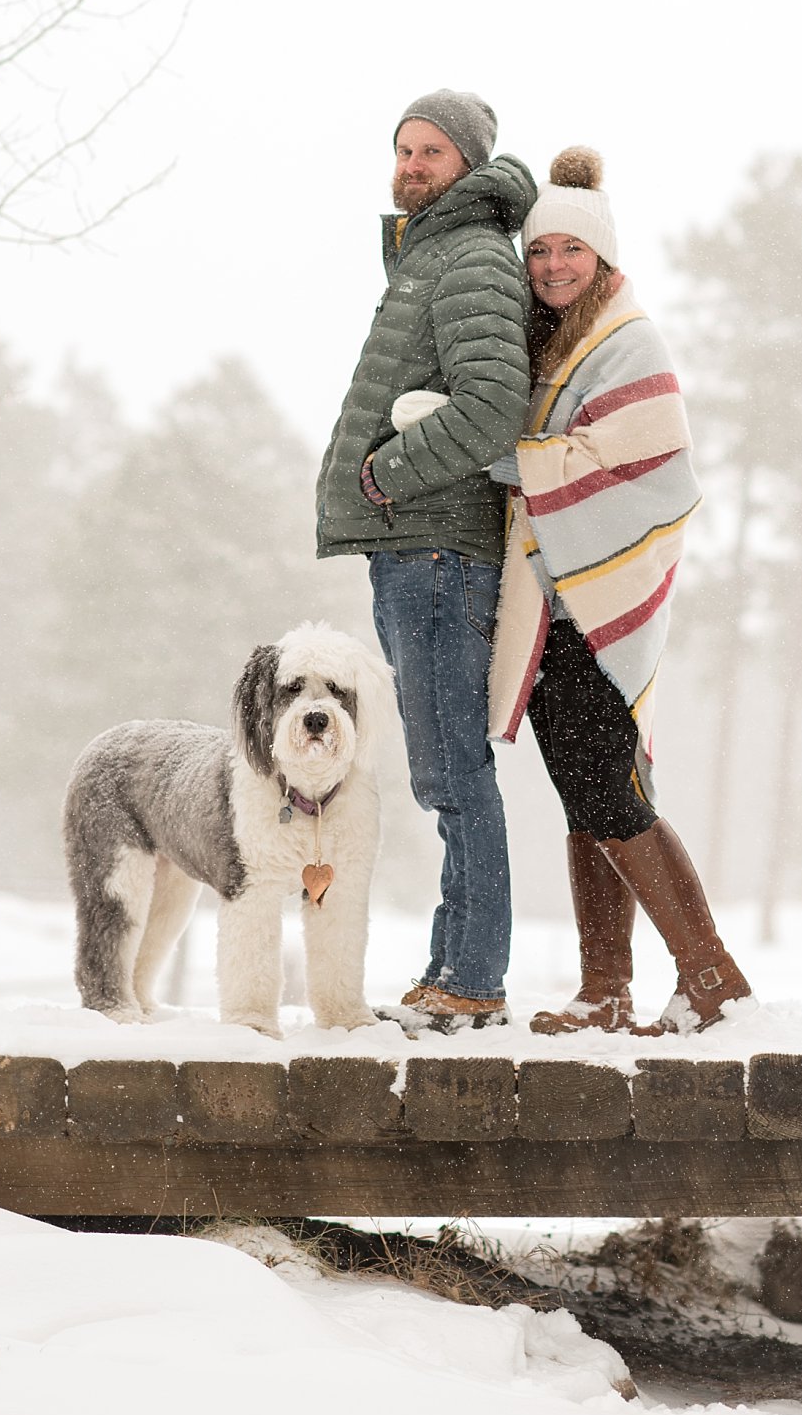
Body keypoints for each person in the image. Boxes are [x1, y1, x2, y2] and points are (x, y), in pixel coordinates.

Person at [488, 147, 752, 1035]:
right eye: (539, 252)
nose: (553, 266)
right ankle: (604, 990)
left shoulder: (626, 340)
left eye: (570, 250)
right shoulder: (558, 339)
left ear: (600, 256)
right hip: (558, 603)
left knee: (610, 795)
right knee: (587, 795)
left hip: (594, 605)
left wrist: (506, 461)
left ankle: (710, 976)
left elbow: (651, 469)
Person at [315, 90, 535, 1031]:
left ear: (468, 163)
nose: (411, 165)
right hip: (415, 545)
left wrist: (385, 476)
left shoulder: (473, 257)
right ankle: (451, 969)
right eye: (403, 148)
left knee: (453, 773)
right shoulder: (431, 254)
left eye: (432, 151)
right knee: (443, 770)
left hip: (438, 548)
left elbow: (491, 405)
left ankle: (473, 981)